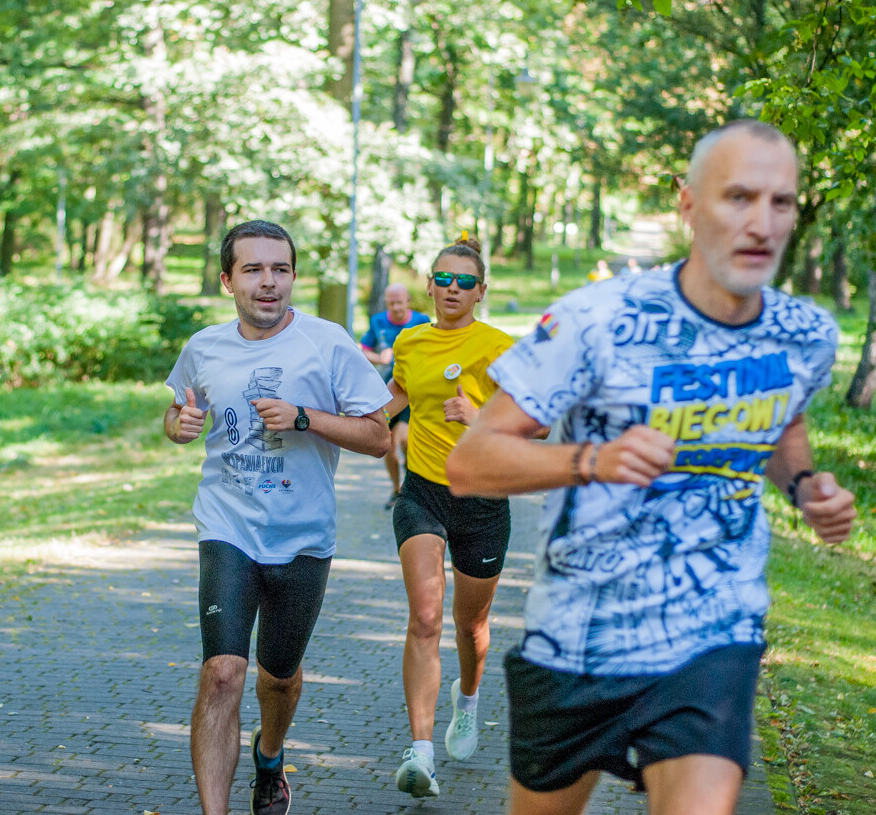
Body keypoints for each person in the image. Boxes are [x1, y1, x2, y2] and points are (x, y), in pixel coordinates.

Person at [446, 120, 856, 815]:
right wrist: (593, 459)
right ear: (689, 205)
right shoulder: (595, 320)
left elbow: (784, 420)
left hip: (713, 628)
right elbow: (470, 463)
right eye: (737, 197)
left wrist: (806, 485)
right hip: (578, 633)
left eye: (780, 202)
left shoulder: (805, 334)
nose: (761, 222)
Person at [164, 219, 392, 815]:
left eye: (281, 269)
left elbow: (378, 437)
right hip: (227, 526)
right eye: (253, 270)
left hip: (303, 537)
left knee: (279, 679)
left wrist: (302, 418)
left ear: (293, 276)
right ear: (226, 280)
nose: (269, 283)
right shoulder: (204, 346)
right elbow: (179, 411)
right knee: (221, 673)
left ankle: (271, 756)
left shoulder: (328, 342)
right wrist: (178, 425)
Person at [381, 235, 516, 798]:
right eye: (443, 279)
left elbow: (536, 423)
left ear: (481, 291)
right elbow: (390, 400)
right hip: (423, 494)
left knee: (470, 625)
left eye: (464, 281)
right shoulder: (409, 341)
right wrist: (323, 422)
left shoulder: (500, 346)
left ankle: (468, 700)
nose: (451, 289)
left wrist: (480, 415)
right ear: (429, 285)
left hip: (483, 502)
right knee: (426, 617)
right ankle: (421, 751)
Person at [360, 282, 432, 509]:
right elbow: (362, 348)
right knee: (389, 445)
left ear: (408, 301)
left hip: (411, 390)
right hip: (386, 390)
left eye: (400, 302)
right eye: (391, 303)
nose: (396, 307)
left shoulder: (421, 322)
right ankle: (397, 488)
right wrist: (379, 359)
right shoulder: (378, 321)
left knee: (406, 441)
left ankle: (414, 488)